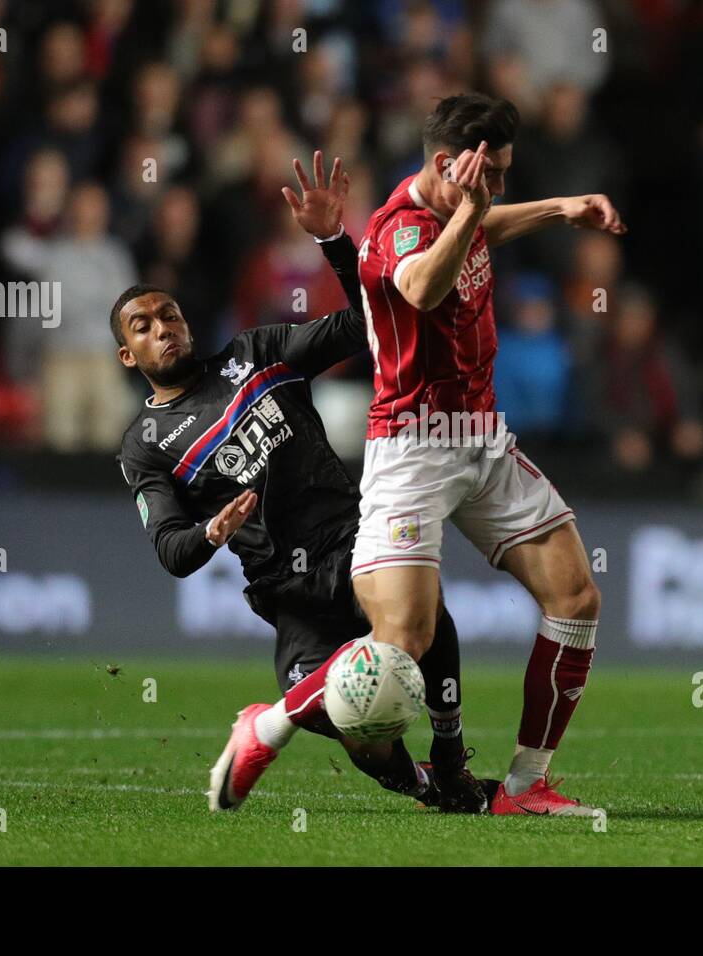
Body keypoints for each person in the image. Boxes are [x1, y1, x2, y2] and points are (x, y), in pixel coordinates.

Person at [115, 153, 490, 813]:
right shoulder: (144, 446)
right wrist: (210, 531)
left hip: (353, 542)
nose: (162, 330)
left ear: (188, 323)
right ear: (128, 355)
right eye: (143, 328)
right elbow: (172, 551)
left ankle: (452, 757)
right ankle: (424, 786)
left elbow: (373, 324)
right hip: (285, 592)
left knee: (425, 618)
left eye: (168, 316)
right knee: (351, 722)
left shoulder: (257, 355)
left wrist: (334, 242)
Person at [351, 93, 627, 815]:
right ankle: (281, 717)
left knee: (575, 598)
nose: (496, 189)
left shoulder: (461, 211)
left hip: (481, 440)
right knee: (405, 637)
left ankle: (525, 783)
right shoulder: (399, 229)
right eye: (490, 174)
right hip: (412, 448)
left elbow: (485, 226)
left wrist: (562, 207)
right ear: (448, 165)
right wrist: (474, 213)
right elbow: (418, 286)